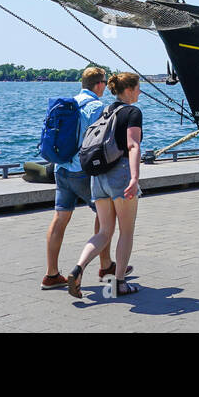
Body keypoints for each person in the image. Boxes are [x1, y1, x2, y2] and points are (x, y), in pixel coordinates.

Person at [66, 72, 143, 298]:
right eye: (138, 88)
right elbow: (132, 146)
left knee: (104, 231)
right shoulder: (132, 112)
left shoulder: (106, 110)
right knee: (126, 231)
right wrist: (135, 178)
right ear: (128, 90)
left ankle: (78, 268)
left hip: (98, 177)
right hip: (120, 175)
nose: (139, 92)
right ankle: (119, 283)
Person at [42, 67, 120, 290]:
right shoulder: (97, 107)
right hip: (82, 171)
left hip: (61, 168)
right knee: (106, 214)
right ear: (99, 85)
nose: (105, 86)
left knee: (60, 218)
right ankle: (105, 266)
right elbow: (105, 140)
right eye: (104, 82)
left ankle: (51, 274)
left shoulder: (69, 104)